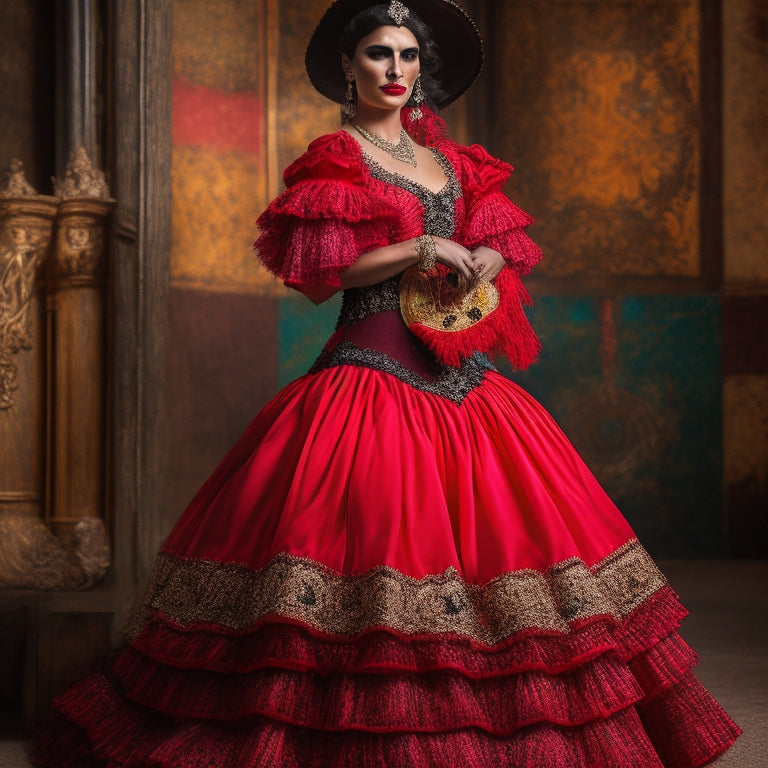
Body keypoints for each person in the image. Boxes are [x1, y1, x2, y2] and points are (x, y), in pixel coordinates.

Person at [34, 1, 741, 766]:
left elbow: (501, 240)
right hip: (369, 375)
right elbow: (318, 277)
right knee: (365, 554)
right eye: (378, 54)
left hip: (465, 382)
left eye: (407, 56)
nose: (396, 70)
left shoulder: (454, 162)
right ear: (348, 66)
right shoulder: (336, 157)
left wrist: (489, 258)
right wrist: (420, 245)